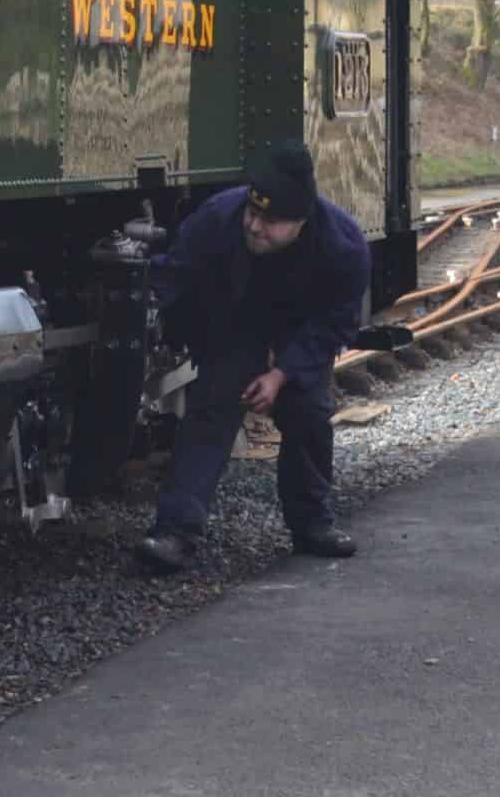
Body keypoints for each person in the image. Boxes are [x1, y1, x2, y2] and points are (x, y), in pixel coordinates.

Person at [136, 141, 367, 573]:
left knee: (309, 413)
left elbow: (336, 322)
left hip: (301, 330)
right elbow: (177, 271)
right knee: (210, 411)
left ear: (301, 221)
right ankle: (175, 532)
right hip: (234, 321)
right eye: (253, 213)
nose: (256, 226)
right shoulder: (219, 217)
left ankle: (312, 524)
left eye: (271, 220)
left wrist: (283, 374)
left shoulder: (344, 246)